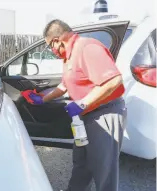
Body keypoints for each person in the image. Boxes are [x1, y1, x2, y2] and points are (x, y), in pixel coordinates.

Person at [24, 19, 127, 191]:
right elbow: (63, 86)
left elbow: (114, 81)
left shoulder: (87, 48)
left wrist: (82, 104)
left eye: (50, 46)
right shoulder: (68, 57)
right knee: (82, 163)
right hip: (85, 116)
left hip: (104, 114)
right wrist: (43, 99)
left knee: (104, 168)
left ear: (57, 41)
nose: (52, 51)